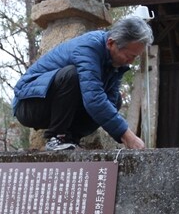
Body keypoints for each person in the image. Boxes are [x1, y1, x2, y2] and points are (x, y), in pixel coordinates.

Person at [12, 15, 153, 151]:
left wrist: (121, 135)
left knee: (115, 101)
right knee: (72, 75)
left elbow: (107, 101)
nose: (131, 61)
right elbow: (94, 99)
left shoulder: (116, 64)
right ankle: (57, 137)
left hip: (54, 104)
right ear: (111, 43)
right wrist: (127, 135)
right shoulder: (89, 47)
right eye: (130, 56)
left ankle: (70, 139)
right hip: (28, 105)